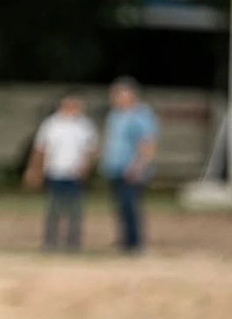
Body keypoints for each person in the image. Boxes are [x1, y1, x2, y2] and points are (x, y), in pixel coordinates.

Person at [23, 91, 98, 251]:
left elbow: (91, 150)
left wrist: (86, 167)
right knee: (53, 208)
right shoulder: (51, 124)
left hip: (75, 174)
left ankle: (73, 243)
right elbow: (40, 149)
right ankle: (50, 242)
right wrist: (34, 170)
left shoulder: (85, 125)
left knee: (75, 210)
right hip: (55, 171)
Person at [99, 76, 158, 254]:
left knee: (130, 205)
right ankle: (124, 241)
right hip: (115, 167)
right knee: (120, 206)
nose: (115, 97)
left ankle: (135, 243)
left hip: (132, 169)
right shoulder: (115, 115)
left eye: (118, 93)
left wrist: (138, 166)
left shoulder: (141, 115)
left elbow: (147, 142)